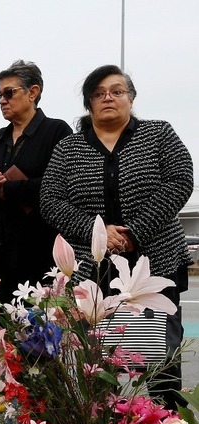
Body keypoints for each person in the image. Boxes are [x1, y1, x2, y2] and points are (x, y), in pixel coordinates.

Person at [41, 64, 194, 406]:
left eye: (117, 90)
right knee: (96, 363)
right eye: (98, 93)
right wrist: (98, 234)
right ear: (89, 104)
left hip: (155, 264)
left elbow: (180, 180)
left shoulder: (159, 134)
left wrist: (134, 233)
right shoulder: (69, 148)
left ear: (131, 97)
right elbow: (50, 200)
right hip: (92, 271)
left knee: (160, 361)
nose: (108, 97)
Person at [0, 60, 71, 300]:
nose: (3, 101)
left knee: (37, 328)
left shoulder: (57, 131)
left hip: (37, 247)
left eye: (9, 93)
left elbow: (59, 186)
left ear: (33, 92)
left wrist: (7, 189)